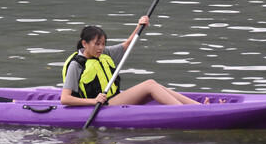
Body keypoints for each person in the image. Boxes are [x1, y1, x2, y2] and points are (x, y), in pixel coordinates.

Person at [61, 16, 208, 106]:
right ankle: (189, 111)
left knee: (157, 86)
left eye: (103, 43)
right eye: (97, 44)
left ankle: (199, 107)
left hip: (113, 99)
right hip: (101, 105)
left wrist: (139, 26)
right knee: (149, 84)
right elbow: (65, 99)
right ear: (85, 44)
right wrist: (93, 101)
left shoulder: (103, 54)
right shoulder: (76, 65)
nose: (101, 48)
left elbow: (126, 45)